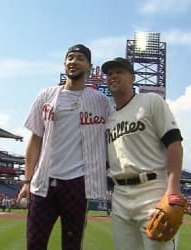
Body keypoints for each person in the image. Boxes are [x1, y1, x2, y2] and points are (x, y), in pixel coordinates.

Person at [17, 44, 114, 250]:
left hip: (78, 184)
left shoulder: (102, 102)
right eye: (70, 57)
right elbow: (35, 139)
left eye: (80, 58)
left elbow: (114, 138)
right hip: (43, 182)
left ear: (89, 66)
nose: (74, 61)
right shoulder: (46, 95)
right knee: (34, 244)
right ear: (64, 63)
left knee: (72, 245)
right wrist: (27, 180)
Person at [101, 57, 183, 250]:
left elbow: (174, 143)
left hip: (152, 190)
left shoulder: (150, 101)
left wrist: (173, 188)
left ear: (132, 77)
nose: (113, 76)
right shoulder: (109, 119)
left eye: (119, 72)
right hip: (120, 195)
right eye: (109, 73)